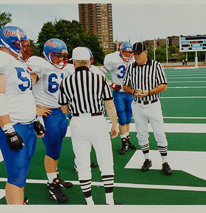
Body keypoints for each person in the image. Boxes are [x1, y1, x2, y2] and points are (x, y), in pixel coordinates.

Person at [0, 26, 45, 204]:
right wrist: (9, 130)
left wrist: (34, 119)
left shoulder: (17, 62)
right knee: (17, 175)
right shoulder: (1, 59)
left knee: (23, 170)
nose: (23, 47)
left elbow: (24, 95)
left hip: (26, 124)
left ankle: (19, 201)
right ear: (10, 43)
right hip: (13, 125)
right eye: (20, 44)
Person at [58, 47, 119, 205]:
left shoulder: (66, 81)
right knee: (105, 160)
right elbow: (110, 106)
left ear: (74, 62)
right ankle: (109, 201)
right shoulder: (99, 79)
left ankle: (90, 202)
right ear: (89, 61)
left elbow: (64, 109)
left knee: (82, 163)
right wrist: (114, 125)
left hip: (78, 122)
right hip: (97, 120)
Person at [28, 38, 74, 203]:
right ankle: (51, 184)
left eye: (63, 55)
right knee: (52, 150)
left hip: (61, 113)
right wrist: (34, 109)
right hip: (48, 114)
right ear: (48, 54)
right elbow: (24, 88)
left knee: (57, 148)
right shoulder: (40, 66)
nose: (61, 59)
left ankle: (54, 176)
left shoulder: (65, 68)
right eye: (57, 55)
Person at [123, 42, 172, 176]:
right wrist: (133, 91)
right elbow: (125, 86)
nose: (136, 56)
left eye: (139, 53)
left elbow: (163, 85)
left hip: (153, 104)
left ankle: (165, 161)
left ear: (146, 52)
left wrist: (149, 92)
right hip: (138, 105)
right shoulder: (131, 67)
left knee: (160, 133)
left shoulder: (156, 66)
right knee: (141, 134)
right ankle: (147, 159)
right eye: (134, 53)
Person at [101, 42, 137, 155]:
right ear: (120, 51)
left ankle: (127, 138)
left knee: (128, 117)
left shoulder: (134, 59)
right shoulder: (113, 59)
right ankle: (123, 141)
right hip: (119, 93)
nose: (127, 54)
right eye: (125, 52)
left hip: (130, 93)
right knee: (121, 116)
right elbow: (100, 72)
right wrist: (111, 84)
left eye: (129, 52)